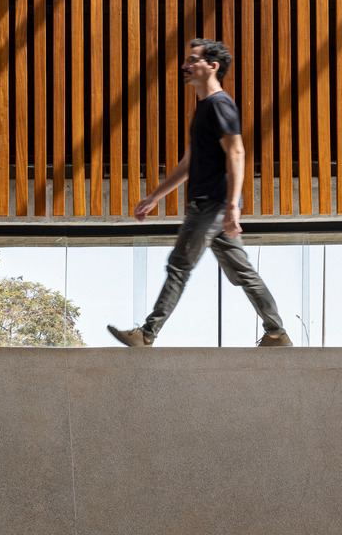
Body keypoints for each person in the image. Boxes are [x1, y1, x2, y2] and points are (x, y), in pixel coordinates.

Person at [108, 39, 292, 347]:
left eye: (193, 60)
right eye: (187, 60)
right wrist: (155, 196)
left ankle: (147, 333)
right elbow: (189, 162)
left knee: (179, 266)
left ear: (213, 66)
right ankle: (277, 333)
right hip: (213, 206)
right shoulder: (205, 108)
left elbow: (236, 152)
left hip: (212, 206)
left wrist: (232, 207)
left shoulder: (220, 105)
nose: (186, 65)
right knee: (243, 273)